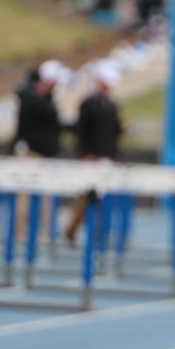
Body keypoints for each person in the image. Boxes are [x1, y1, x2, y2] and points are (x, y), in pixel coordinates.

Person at [64, 62, 124, 246]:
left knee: (103, 197)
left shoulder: (111, 104)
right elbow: (81, 132)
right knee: (86, 196)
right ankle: (73, 229)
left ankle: (100, 232)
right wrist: (87, 153)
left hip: (107, 156)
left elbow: (114, 131)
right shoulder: (89, 104)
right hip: (92, 157)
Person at [13, 60, 71, 243]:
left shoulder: (46, 98)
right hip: (31, 152)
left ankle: (43, 233)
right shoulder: (31, 98)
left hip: (46, 154)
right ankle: (21, 232)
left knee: (46, 196)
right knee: (25, 195)